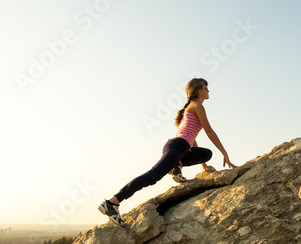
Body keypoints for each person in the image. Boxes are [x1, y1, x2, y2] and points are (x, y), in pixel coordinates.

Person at [98, 78, 236, 225]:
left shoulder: (190, 107)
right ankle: (112, 202)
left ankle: (177, 165)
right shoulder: (197, 106)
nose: (208, 91)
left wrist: (203, 165)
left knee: (206, 154)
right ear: (199, 91)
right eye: (206, 88)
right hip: (177, 147)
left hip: (179, 146)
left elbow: (192, 139)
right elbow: (209, 132)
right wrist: (224, 153)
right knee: (152, 177)